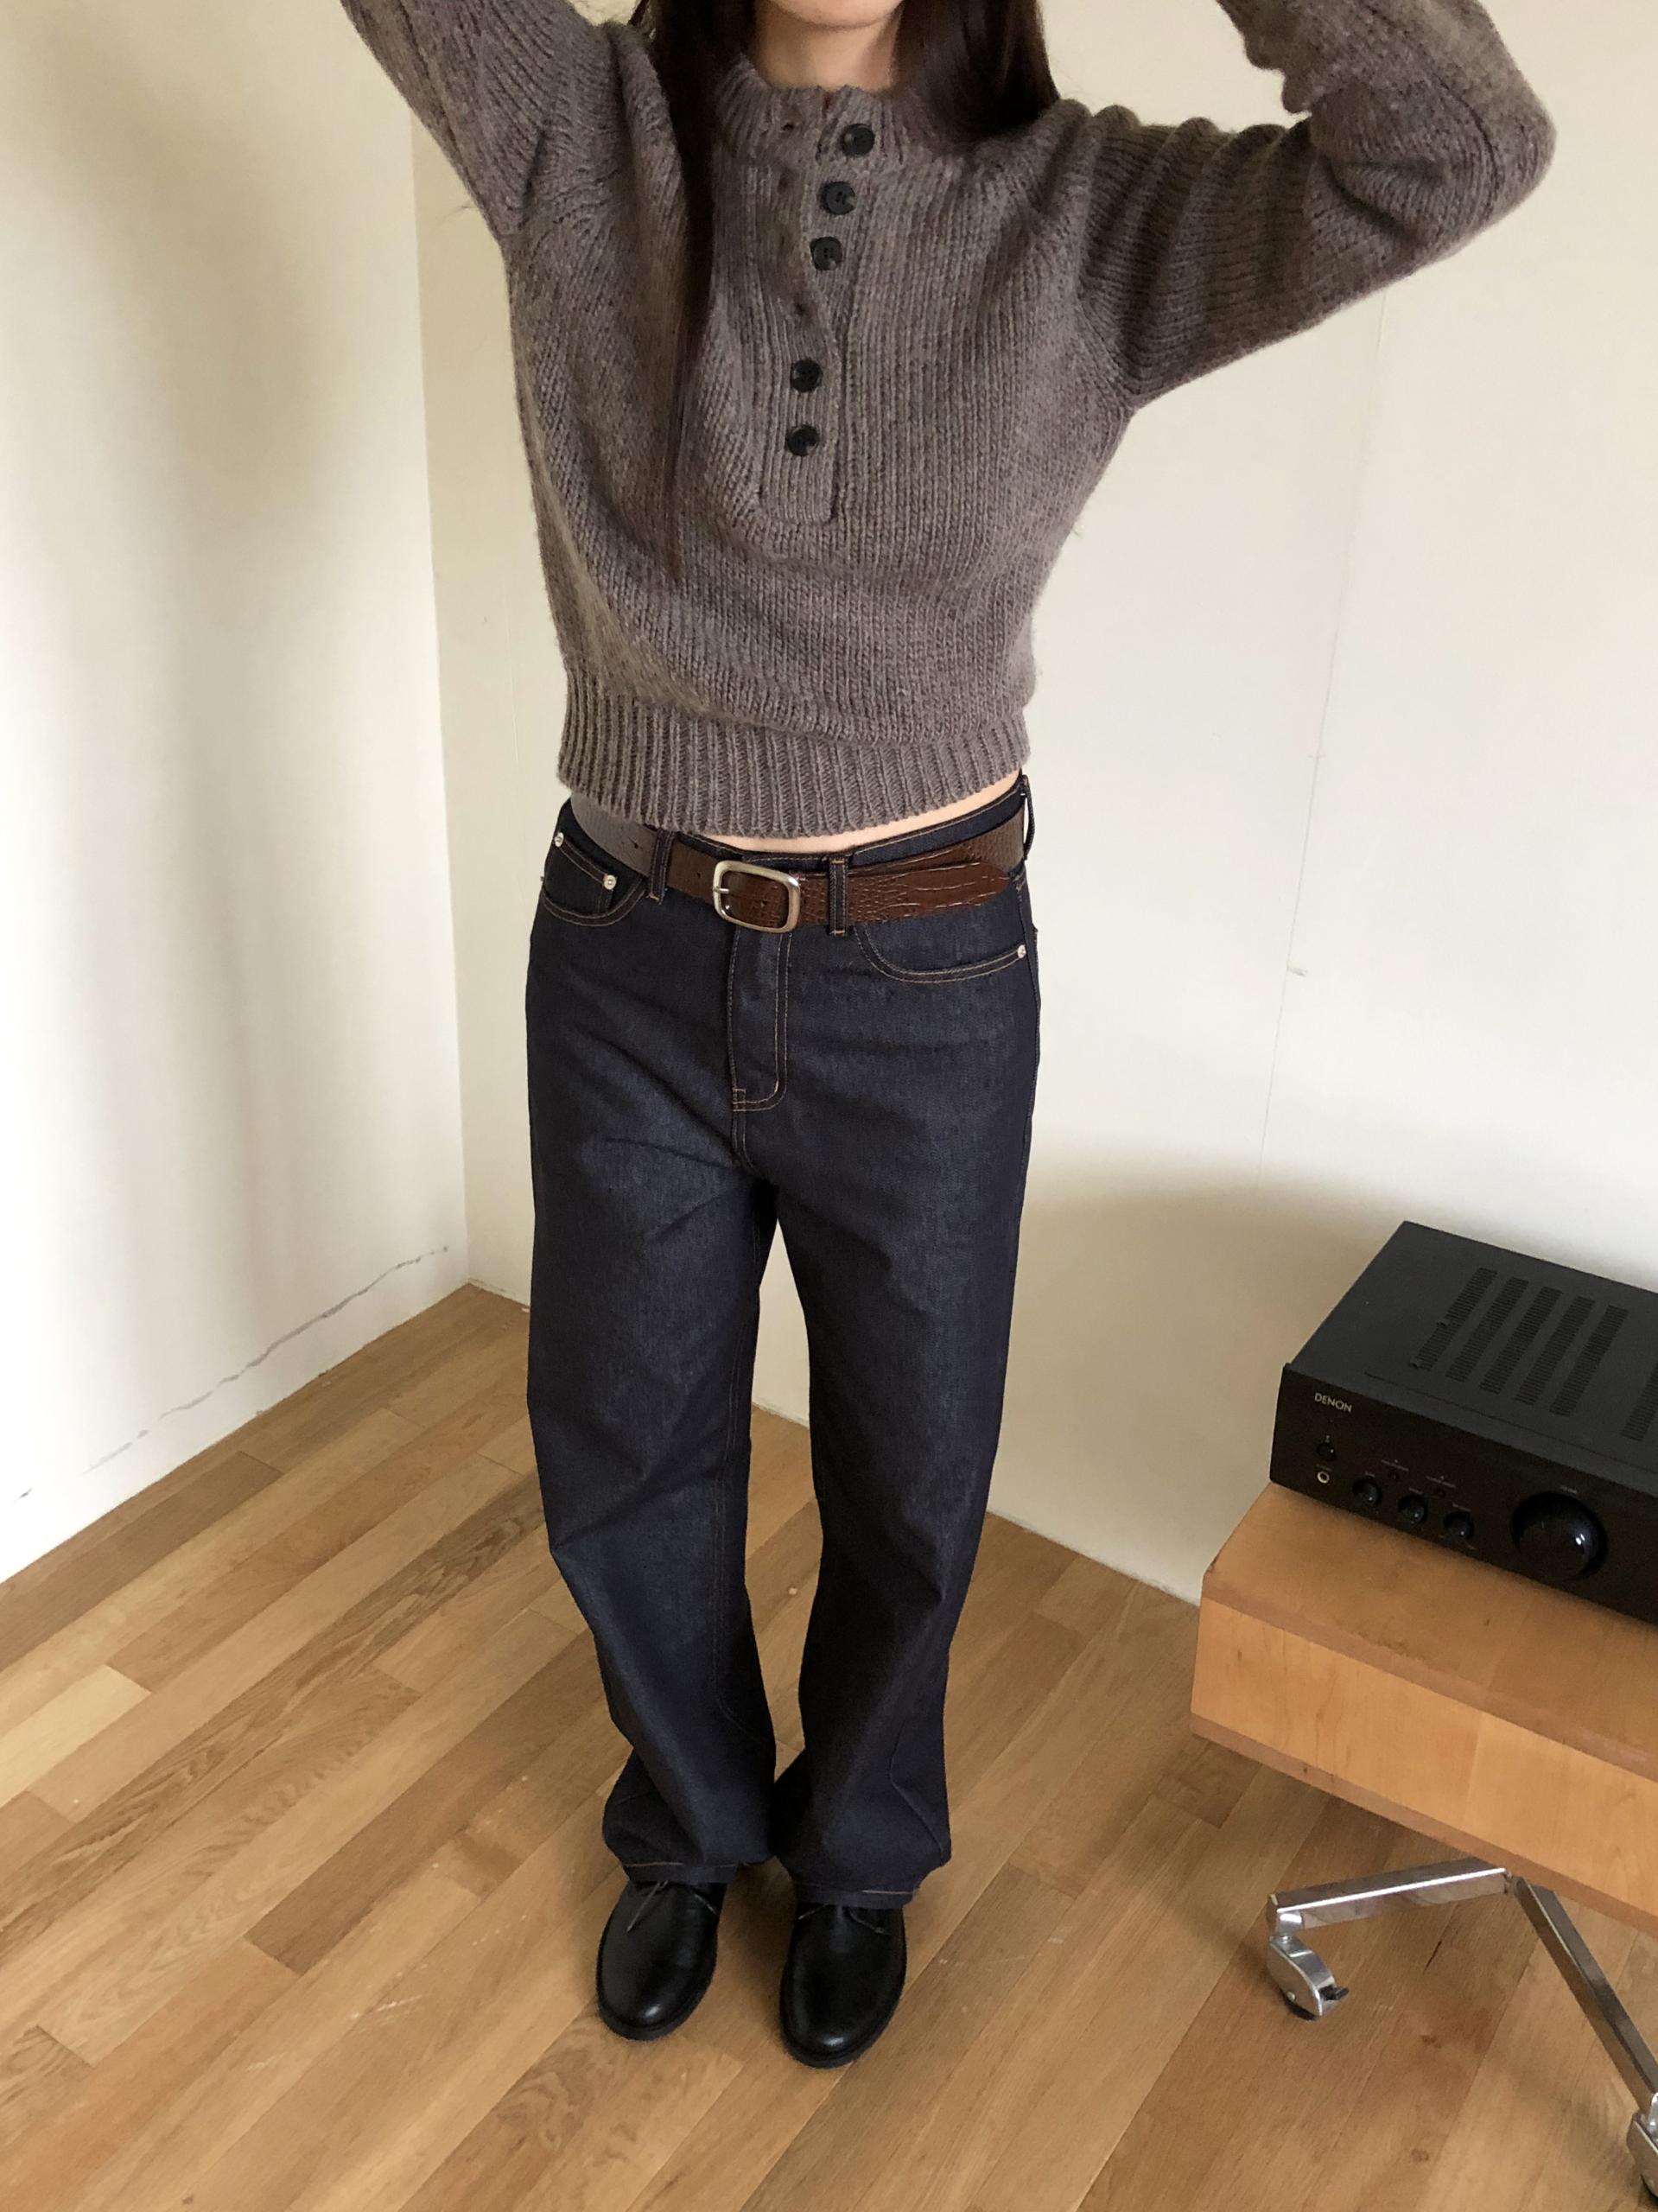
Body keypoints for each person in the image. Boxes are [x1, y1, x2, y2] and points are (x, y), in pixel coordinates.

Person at [334, 0, 1555, 2065]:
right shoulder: (576, 130)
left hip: (925, 977)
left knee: (911, 1473)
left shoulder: (1092, 216)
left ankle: (863, 1852)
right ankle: (692, 1818)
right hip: (626, 946)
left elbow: (1459, 145)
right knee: (624, 1451)